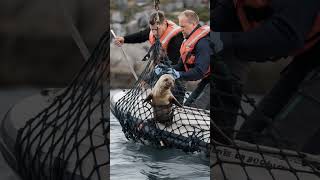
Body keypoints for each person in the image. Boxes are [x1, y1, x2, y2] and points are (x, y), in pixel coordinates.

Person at [211, 0, 320, 152]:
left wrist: (223, 40)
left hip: (309, 61)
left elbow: (283, 37)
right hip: (307, 60)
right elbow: (221, 19)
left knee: (275, 148)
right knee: (247, 140)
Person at [157, 10, 212, 109]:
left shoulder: (203, 43)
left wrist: (178, 75)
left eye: (183, 26)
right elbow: (180, 67)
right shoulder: (187, 42)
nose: (180, 29)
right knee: (187, 108)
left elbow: (199, 72)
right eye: (179, 26)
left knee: (195, 110)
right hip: (207, 80)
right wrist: (166, 69)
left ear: (193, 24)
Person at [114, 10, 184, 65]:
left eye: (157, 29)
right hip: (161, 64)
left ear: (164, 23)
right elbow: (140, 36)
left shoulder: (176, 38)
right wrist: (124, 39)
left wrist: (148, 78)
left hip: (175, 69)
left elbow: (174, 62)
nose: (154, 33)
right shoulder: (153, 29)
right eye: (152, 29)